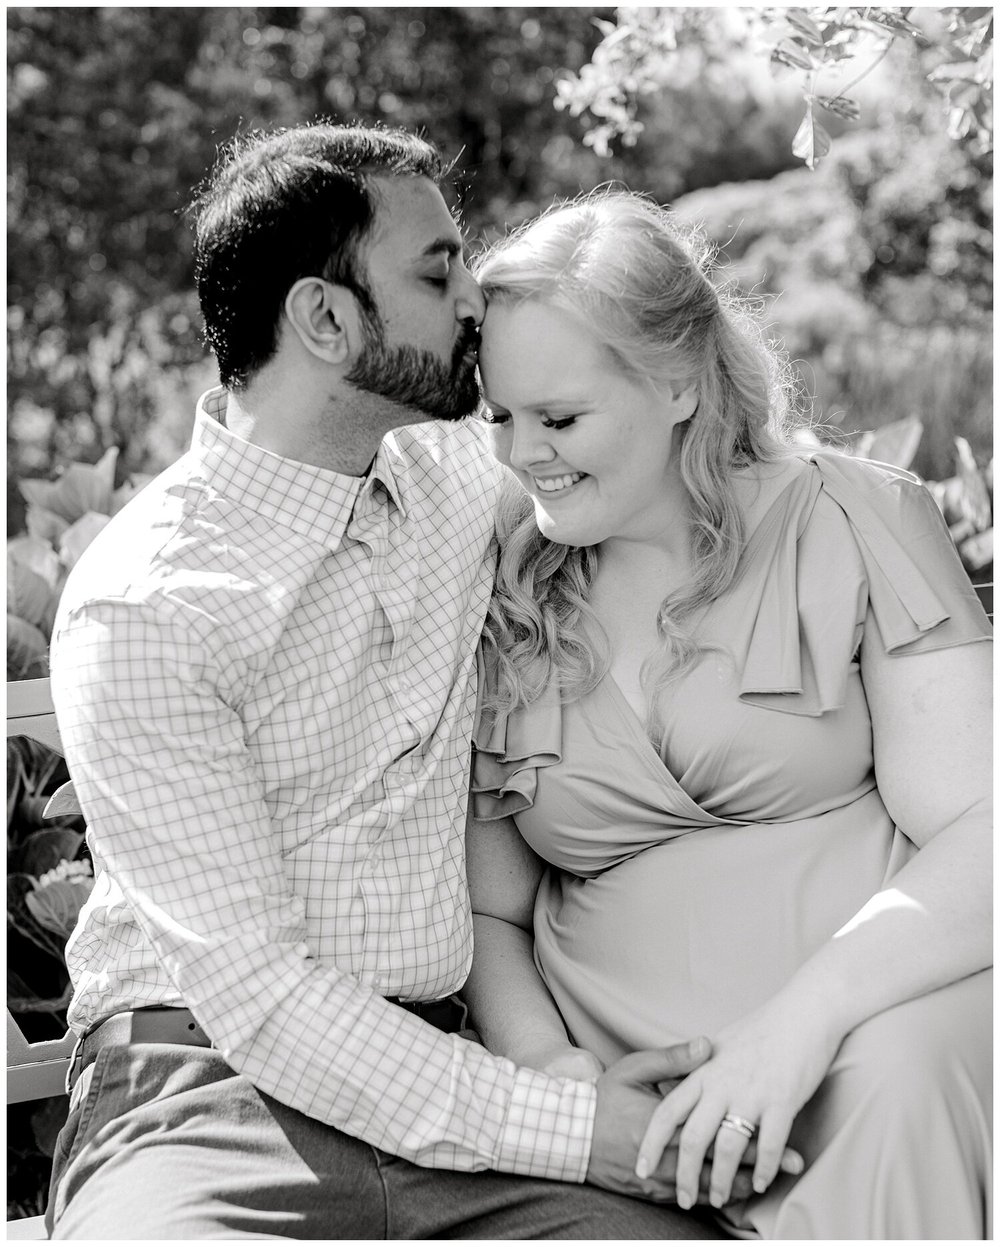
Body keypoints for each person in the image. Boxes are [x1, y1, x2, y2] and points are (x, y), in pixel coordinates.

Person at [43, 123, 773, 1240]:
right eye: (437, 270)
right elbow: (261, 998)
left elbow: (654, 428)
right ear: (326, 319)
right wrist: (579, 1131)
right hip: (206, 1095)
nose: (475, 298)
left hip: (457, 1080)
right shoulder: (147, 603)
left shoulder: (458, 477)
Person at [464, 188, 993, 1240]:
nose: (524, 455)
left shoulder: (853, 516)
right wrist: (551, 1073)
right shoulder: (500, 587)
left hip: (871, 1026)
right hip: (632, 1093)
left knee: (900, 1079)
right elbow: (491, 915)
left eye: (559, 417)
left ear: (675, 384)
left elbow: (985, 832)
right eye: (500, 418)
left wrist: (799, 1023)